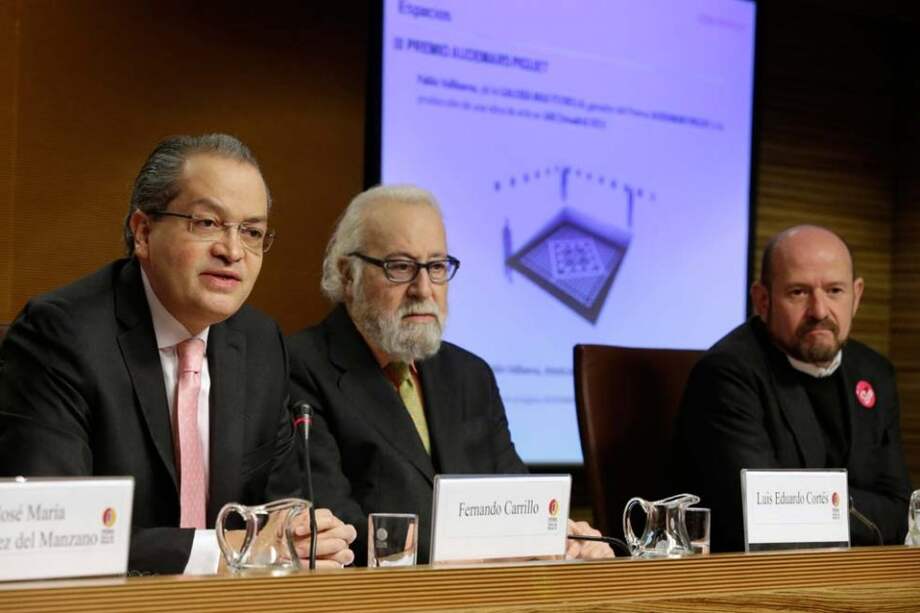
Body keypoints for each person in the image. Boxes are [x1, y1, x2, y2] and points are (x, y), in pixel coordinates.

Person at [0, 134, 355, 574]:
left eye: (252, 232)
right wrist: (229, 552)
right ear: (143, 232)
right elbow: (51, 530)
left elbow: (282, 514)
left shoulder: (261, 344)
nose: (232, 250)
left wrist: (307, 539)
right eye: (207, 223)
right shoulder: (62, 335)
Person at [287, 184, 613, 565]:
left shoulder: (470, 375)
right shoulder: (299, 366)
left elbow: (521, 505)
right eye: (401, 267)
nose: (423, 289)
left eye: (437, 267)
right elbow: (337, 530)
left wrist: (562, 537)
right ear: (347, 275)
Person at [674, 225, 912, 551]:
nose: (819, 310)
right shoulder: (727, 373)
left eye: (835, 291)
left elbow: (902, 511)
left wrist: (807, 505)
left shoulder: (874, 371)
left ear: (856, 296)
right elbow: (761, 518)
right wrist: (852, 507)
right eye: (798, 292)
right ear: (762, 300)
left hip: (858, 577)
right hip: (755, 580)